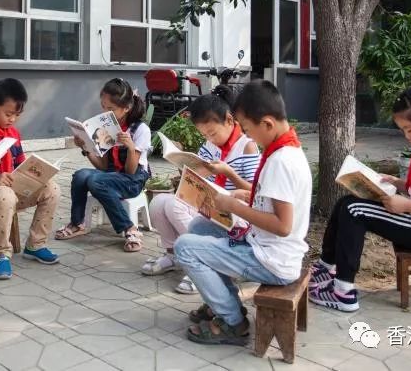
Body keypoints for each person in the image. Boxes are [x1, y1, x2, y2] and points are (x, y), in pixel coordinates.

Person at [309, 79, 411, 312]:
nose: (407, 136)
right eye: (403, 130)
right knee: (345, 203)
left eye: (410, 129)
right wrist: (396, 183)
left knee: (353, 211)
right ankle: (325, 268)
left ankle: (343, 292)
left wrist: (407, 205)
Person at [174, 81, 312, 345]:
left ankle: (233, 322)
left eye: (247, 129)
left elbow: (283, 225)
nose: (248, 136)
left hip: (271, 260)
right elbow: (273, 200)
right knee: (199, 228)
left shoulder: (281, 162)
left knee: (185, 247)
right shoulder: (286, 150)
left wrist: (234, 207)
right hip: (265, 246)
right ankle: (224, 302)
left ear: (267, 123)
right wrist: (244, 195)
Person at [142, 87, 260, 294]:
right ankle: (173, 256)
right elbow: (199, 176)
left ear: (229, 120)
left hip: (234, 212)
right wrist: (181, 161)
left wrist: (229, 173)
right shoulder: (210, 145)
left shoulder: (247, 146)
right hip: (209, 202)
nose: (209, 138)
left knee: (176, 207)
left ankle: (204, 263)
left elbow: (254, 192)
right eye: (205, 134)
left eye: (212, 133)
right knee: (159, 203)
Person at [0, 78, 60, 280]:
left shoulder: (13, 134)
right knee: (4, 195)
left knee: (51, 188)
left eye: (17, 115)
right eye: (8, 114)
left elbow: (20, 165)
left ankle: (36, 245)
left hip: (10, 189)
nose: (13, 119)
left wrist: (35, 174)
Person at [55, 78, 151, 252]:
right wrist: (85, 147)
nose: (106, 113)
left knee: (96, 181)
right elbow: (103, 166)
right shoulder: (107, 127)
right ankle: (77, 223)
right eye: (103, 107)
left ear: (126, 107)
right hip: (111, 175)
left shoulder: (140, 130)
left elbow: (130, 171)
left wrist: (130, 147)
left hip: (132, 180)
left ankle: (129, 228)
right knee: (81, 176)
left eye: (111, 109)